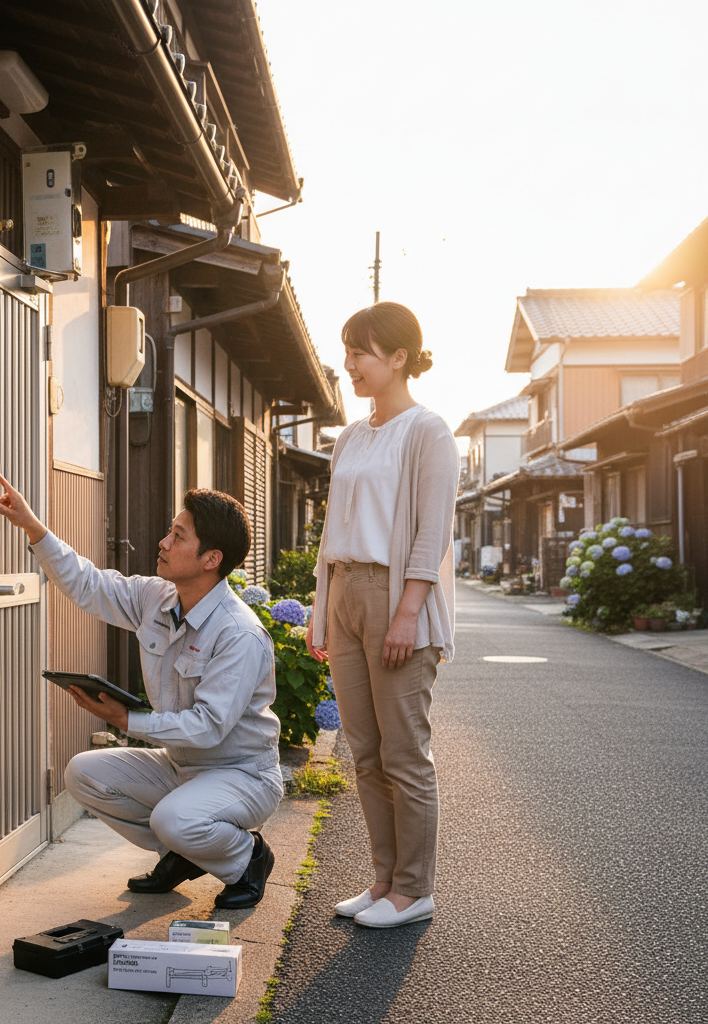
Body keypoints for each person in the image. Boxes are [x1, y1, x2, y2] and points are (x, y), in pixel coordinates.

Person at [0, 477, 284, 909]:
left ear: (211, 559)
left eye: (178, 536)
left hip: (243, 774)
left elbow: (208, 727)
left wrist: (127, 720)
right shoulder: (156, 597)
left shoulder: (239, 633)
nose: (163, 543)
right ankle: (182, 854)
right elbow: (89, 585)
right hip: (181, 766)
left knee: (174, 819)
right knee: (82, 773)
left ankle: (247, 857)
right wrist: (32, 525)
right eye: (170, 531)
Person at [307, 301, 459, 929]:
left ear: (399, 358)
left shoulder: (428, 432)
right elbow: (331, 530)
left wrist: (407, 614)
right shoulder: (349, 436)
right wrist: (321, 610)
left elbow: (432, 533)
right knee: (364, 753)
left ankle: (414, 889)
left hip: (396, 598)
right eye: (346, 351)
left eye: (361, 351)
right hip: (344, 593)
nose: (349, 365)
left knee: (404, 755)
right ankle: (382, 880)